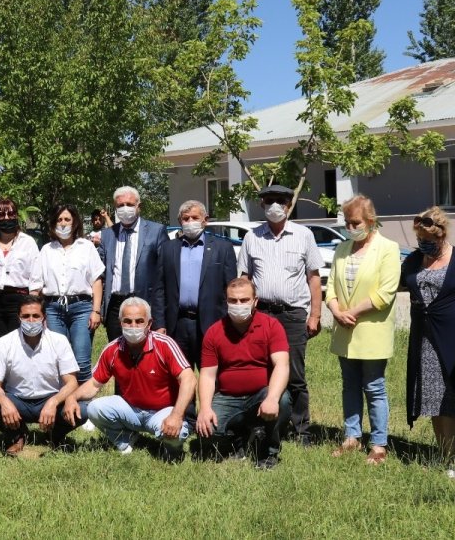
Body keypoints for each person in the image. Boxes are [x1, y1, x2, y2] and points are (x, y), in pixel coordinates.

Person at [401, 206, 455, 478]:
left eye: (429, 240)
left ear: (442, 234)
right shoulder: (414, 260)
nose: (424, 244)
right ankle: (442, 452)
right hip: (423, 340)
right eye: (420, 239)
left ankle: (451, 458)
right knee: (433, 399)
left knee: (454, 398)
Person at [237, 184, 323, 446]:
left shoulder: (303, 235)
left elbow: (314, 278)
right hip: (261, 315)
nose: (275, 206)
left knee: (295, 375)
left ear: (289, 204)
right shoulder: (252, 237)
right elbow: (243, 278)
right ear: (262, 205)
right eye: (269, 201)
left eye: (280, 201)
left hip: (293, 314)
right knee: (262, 372)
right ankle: (264, 425)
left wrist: (315, 316)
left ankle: (301, 431)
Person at [69, 297, 196, 463]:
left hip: (162, 411)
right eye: (127, 321)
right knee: (94, 408)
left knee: (176, 434)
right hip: (131, 410)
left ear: (149, 324)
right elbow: (94, 384)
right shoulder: (112, 349)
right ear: (120, 322)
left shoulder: (164, 345)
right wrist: (72, 397)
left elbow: (189, 379)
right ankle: (126, 439)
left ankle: (172, 449)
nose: (133, 326)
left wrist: (177, 415)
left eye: (139, 321)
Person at [325, 195, 400, 465]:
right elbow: (331, 286)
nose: (350, 226)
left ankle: (379, 443)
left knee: (374, 386)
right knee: (350, 386)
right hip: (344, 331)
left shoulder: (388, 248)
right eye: (347, 222)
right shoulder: (342, 248)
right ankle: (351, 437)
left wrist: (352, 313)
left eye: (355, 222)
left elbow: (386, 293)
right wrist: (335, 311)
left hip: (371, 330)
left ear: (370, 221)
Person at [195, 278, 291, 469]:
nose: (238, 305)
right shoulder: (214, 332)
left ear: (255, 301)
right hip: (227, 397)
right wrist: (205, 408)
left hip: (260, 394)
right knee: (207, 432)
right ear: (226, 302)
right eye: (233, 301)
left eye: (244, 300)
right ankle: (240, 438)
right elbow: (207, 375)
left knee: (283, 400)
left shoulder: (272, 326)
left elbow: (282, 364)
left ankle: (268, 452)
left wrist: (271, 398)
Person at [0, 295, 85, 456]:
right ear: (18, 318)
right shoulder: (5, 342)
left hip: (50, 399)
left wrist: (53, 402)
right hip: (18, 400)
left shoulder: (59, 341)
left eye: (36, 316)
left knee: (83, 410)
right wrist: (4, 401)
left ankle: (55, 435)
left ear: (44, 318)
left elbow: (71, 382)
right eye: (26, 316)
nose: (31, 320)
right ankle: (17, 434)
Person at [161, 200, 236, 366]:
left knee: (212, 375)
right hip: (177, 324)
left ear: (205, 220)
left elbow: (230, 288)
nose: (190, 222)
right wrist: (160, 323)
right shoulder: (168, 248)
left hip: (211, 322)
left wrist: (226, 321)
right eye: (185, 219)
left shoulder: (222, 248)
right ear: (180, 221)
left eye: (194, 217)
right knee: (179, 377)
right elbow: (160, 288)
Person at [37, 203, 104, 383]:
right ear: (53, 224)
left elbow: (97, 280)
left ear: (74, 222)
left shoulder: (86, 247)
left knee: (81, 361)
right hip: (53, 309)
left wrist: (96, 311)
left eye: (67, 219)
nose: (63, 223)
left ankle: (83, 405)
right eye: (59, 220)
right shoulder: (46, 250)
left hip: (81, 308)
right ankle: (62, 404)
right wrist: (39, 314)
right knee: (59, 361)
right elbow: (36, 285)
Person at [99, 186, 166, 344]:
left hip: (144, 302)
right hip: (115, 305)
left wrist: (160, 318)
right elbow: (100, 273)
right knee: (117, 353)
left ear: (139, 206)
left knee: (146, 354)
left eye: (129, 204)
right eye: (120, 205)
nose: (125, 209)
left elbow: (163, 275)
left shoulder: (156, 231)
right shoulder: (107, 235)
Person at [0, 197, 41, 353]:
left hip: (19, 300)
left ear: (16, 216)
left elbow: (36, 279)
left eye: (10, 214)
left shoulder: (28, 242)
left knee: (19, 349)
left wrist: (32, 306)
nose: (6, 218)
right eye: (1, 214)